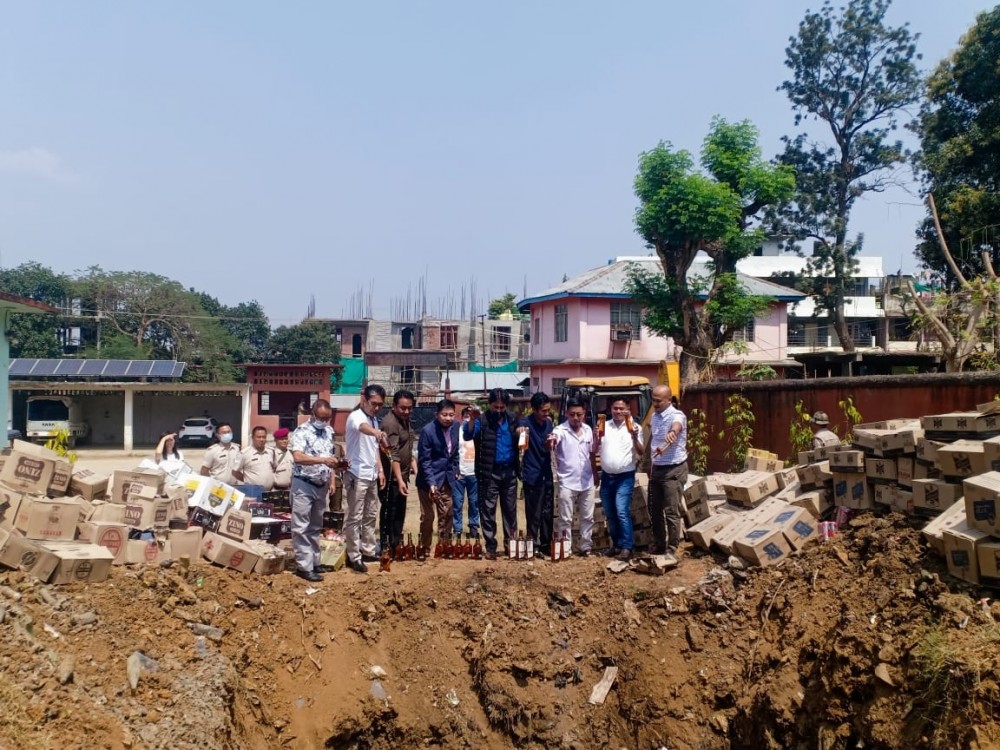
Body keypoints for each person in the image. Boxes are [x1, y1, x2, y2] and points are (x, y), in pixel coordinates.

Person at [464, 388, 520, 560]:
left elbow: (522, 439)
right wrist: (472, 420)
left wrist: (521, 433)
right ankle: (490, 546)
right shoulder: (482, 420)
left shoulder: (513, 419)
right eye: (495, 407)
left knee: (510, 510)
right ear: (489, 405)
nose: (498, 410)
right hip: (489, 472)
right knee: (488, 510)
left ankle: (511, 545)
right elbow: (468, 435)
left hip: (510, 472)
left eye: (502, 408)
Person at [289, 400, 339, 582]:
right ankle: (304, 566)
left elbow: (330, 456)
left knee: (315, 526)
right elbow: (298, 456)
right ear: (313, 414)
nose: (325, 421)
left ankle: (315, 562)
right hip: (304, 483)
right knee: (301, 526)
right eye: (321, 418)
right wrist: (322, 460)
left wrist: (332, 475)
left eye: (328, 418)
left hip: (321, 484)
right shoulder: (301, 432)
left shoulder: (328, 432)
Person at [344, 385, 388, 573]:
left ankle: (368, 549)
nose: (376, 408)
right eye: (373, 404)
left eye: (380, 405)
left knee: (370, 514)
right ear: (364, 400)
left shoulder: (374, 420)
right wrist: (376, 432)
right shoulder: (357, 417)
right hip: (356, 473)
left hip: (371, 473)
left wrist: (380, 469)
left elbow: (374, 447)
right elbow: (363, 429)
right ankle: (353, 555)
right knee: (355, 516)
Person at [551, 397, 598, 557]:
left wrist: (595, 473)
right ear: (566, 414)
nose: (576, 418)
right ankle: (566, 549)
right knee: (565, 518)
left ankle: (586, 547)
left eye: (579, 414)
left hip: (587, 480)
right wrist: (551, 442)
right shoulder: (560, 431)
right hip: (567, 481)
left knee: (588, 517)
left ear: (584, 414)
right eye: (572, 415)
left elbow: (591, 454)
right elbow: (553, 441)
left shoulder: (588, 430)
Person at [599, 398, 644, 561]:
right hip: (606, 476)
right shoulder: (604, 426)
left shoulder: (634, 427)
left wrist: (634, 437)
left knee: (621, 510)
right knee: (610, 513)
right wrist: (597, 437)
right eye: (615, 408)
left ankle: (627, 547)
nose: (618, 412)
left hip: (624, 476)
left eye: (621, 409)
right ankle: (617, 545)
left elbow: (641, 451)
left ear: (627, 410)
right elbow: (595, 448)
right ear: (610, 409)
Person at [648, 385, 687, 565]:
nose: (654, 404)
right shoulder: (655, 417)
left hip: (673, 470)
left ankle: (672, 549)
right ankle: (659, 543)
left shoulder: (677, 415)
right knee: (654, 509)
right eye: (653, 399)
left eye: (658, 401)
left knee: (672, 510)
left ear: (668, 400)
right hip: (657, 469)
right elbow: (654, 441)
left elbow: (676, 426)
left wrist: (673, 432)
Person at [416, 399, 460, 551]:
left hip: (447, 479)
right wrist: (431, 484)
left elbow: (454, 453)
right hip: (427, 481)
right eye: (444, 415)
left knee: (448, 514)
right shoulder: (428, 431)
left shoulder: (456, 426)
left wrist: (455, 469)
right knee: (428, 517)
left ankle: (444, 546)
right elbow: (425, 460)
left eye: (451, 415)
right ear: (437, 414)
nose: (448, 418)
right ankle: (425, 547)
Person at [379, 389, 417, 550]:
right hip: (391, 478)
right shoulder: (390, 423)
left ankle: (395, 546)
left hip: (402, 476)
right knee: (390, 513)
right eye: (403, 408)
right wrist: (399, 480)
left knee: (399, 513)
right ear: (394, 406)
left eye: (409, 408)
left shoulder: (404, 421)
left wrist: (414, 467)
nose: (406, 411)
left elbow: (407, 448)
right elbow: (391, 453)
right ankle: (387, 547)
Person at [518, 392, 554, 558]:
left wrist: (549, 445)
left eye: (548, 410)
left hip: (547, 473)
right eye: (543, 411)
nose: (546, 414)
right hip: (532, 475)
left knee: (547, 511)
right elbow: (520, 438)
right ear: (533, 409)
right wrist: (520, 433)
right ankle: (534, 544)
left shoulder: (549, 424)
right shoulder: (525, 424)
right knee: (534, 512)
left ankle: (546, 543)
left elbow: (548, 449)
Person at [452, 407, 480, 539]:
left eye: (471, 415)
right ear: (462, 417)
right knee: (457, 503)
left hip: (474, 473)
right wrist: (456, 467)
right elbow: (453, 451)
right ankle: (457, 529)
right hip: (460, 473)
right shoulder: (458, 431)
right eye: (466, 415)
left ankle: (474, 527)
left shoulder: (478, 430)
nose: (469, 417)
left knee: (474, 502)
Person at [234, 426, 275, 500]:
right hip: (252, 493)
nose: (262, 439)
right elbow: (235, 472)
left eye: (264, 437)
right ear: (252, 438)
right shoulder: (244, 453)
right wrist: (247, 479)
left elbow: (274, 468)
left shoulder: (271, 452)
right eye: (258, 437)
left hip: (269, 493)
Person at [271, 427, 294, 492]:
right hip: (276, 490)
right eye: (281, 439)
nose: (284, 441)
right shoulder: (272, 454)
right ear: (276, 440)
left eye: (286, 439)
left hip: (290, 489)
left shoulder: (291, 453)